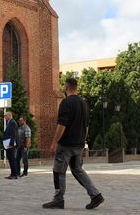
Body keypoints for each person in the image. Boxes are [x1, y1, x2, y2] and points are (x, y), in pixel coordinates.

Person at [42, 78, 104, 210]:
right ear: (76, 87)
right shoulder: (84, 103)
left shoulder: (66, 102)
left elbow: (62, 124)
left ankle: (58, 199)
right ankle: (95, 195)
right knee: (77, 170)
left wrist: (54, 143)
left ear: (66, 87)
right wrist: (83, 141)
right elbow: (86, 126)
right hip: (79, 144)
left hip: (66, 145)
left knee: (58, 171)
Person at [3, 111, 19, 179]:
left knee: (12, 159)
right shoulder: (9, 122)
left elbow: (13, 134)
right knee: (10, 159)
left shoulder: (12, 122)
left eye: (5, 115)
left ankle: (14, 174)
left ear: (9, 115)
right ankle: (12, 174)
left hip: (10, 144)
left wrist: (11, 144)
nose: (4, 117)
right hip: (8, 143)